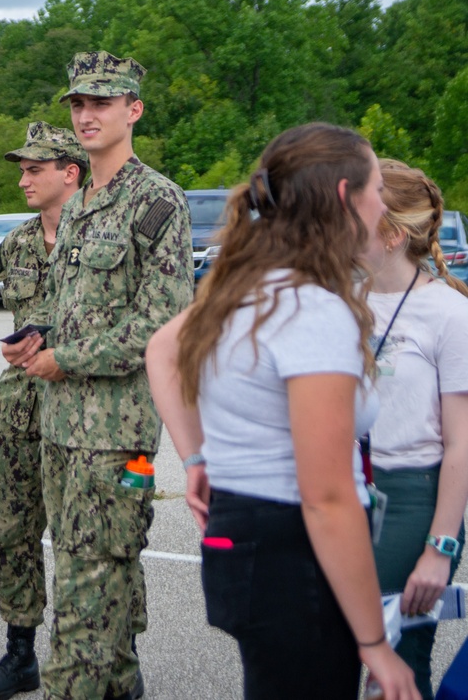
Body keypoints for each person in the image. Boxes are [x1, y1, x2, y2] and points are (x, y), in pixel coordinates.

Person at [145, 124, 421, 700]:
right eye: (376, 189)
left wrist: (198, 455)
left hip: (244, 541)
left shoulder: (242, 288)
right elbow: (326, 494)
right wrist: (374, 644)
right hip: (293, 556)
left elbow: (162, 349)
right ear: (346, 197)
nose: (382, 205)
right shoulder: (311, 310)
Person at [3, 51, 194, 700]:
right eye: (78, 104)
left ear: (133, 109)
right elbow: (70, 309)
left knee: (86, 600)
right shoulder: (81, 203)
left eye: (101, 102)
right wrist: (39, 339)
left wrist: (67, 357)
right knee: (94, 578)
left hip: (117, 439)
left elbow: (162, 325)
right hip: (60, 428)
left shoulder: (156, 201)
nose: (86, 114)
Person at [0, 122, 89, 700]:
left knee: (89, 540)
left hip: (86, 411)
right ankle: (20, 651)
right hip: (20, 409)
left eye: (34, 169)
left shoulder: (101, 237)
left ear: (70, 172)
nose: (23, 179)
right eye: (22, 169)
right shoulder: (14, 245)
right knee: (14, 533)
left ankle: (112, 650)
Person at [364, 160, 468, 700]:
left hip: (411, 501)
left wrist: (439, 548)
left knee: (396, 669)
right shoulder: (340, 298)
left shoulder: (449, 314)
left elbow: (462, 446)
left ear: (391, 235)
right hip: (344, 490)